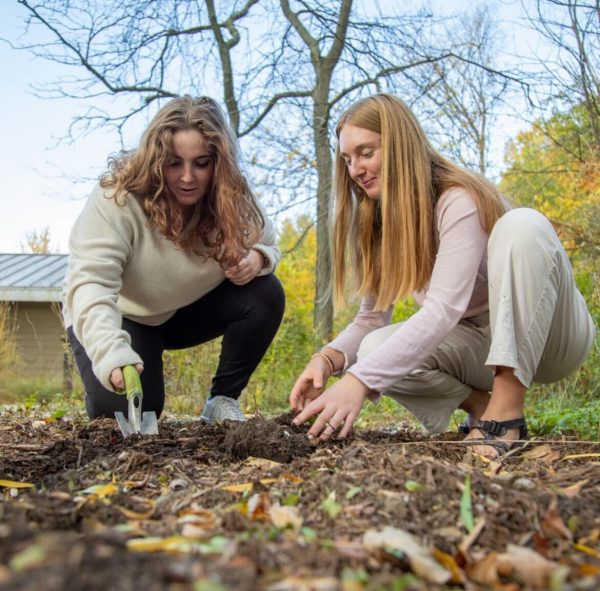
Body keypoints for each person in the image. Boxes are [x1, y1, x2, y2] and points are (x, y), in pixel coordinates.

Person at [290, 93, 596, 458]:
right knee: (375, 350)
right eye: (347, 159)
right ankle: (482, 408)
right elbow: (372, 319)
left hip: (552, 337)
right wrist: (327, 360)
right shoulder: (379, 224)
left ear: (400, 146)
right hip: (482, 347)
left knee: (523, 224)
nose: (355, 169)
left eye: (366, 152)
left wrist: (359, 382)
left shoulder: (456, 199)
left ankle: (507, 410)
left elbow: (442, 310)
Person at [64, 95, 285, 424]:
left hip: (180, 315)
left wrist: (258, 258)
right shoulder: (118, 197)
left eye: (201, 163)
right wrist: (111, 351)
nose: (187, 177)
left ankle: (221, 401)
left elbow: (269, 243)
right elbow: (91, 283)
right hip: (121, 316)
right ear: (155, 159)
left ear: (218, 162)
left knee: (265, 291)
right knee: (130, 413)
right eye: (174, 163)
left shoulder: (231, 199)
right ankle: (111, 375)